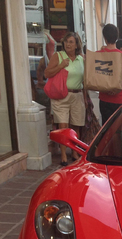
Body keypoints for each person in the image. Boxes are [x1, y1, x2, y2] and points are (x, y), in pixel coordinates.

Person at [44, 32, 85, 166]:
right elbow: (47, 73)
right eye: (66, 41)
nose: (68, 44)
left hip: (77, 95)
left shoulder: (81, 59)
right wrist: (60, 66)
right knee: (63, 125)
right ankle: (63, 156)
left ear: (77, 44)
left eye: (71, 42)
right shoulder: (58, 56)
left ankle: (74, 152)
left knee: (76, 125)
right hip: (61, 96)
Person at [96, 24, 122, 126]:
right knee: (119, 128)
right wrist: (117, 87)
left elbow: (95, 77)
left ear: (104, 37)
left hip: (104, 98)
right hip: (119, 98)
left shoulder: (98, 55)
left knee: (106, 128)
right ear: (116, 37)